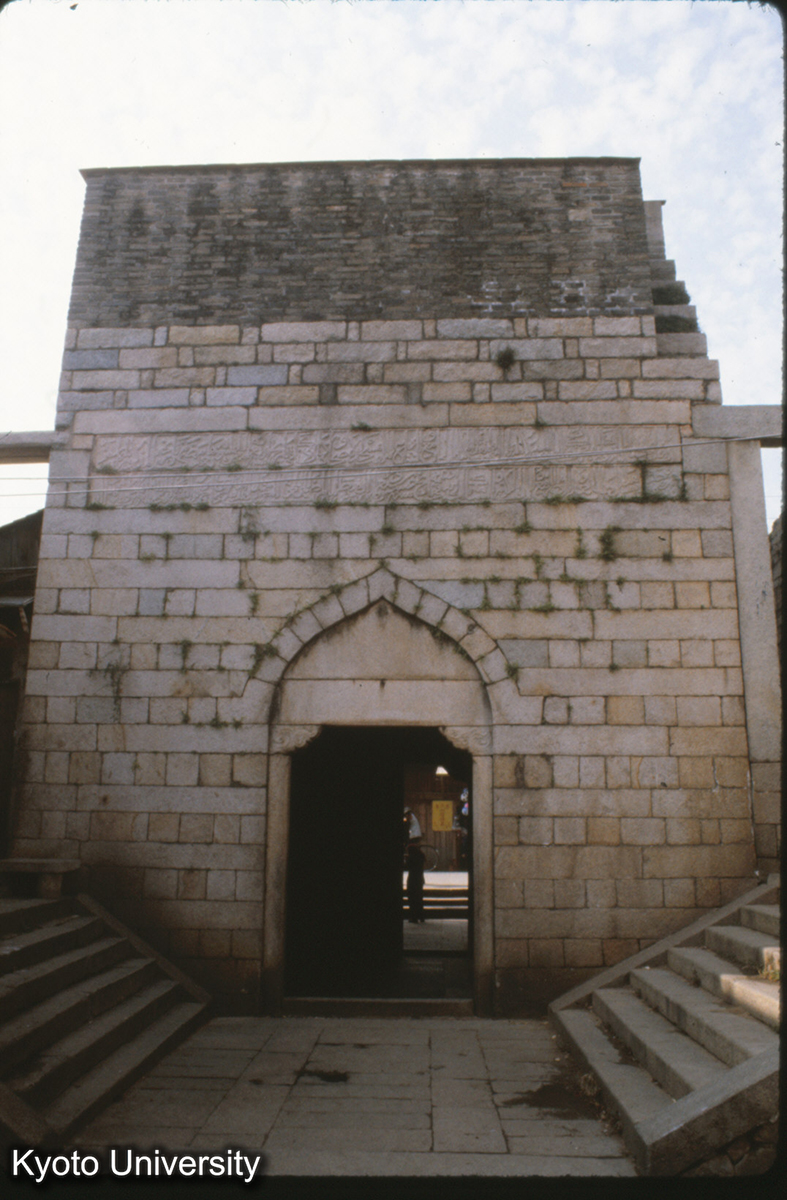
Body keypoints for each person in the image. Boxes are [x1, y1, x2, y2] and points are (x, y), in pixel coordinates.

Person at [406, 840, 426, 924]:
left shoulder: (410, 858)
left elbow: (407, 867)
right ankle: (421, 916)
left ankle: (413, 917)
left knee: (412, 900)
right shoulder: (421, 857)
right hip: (420, 880)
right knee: (419, 899)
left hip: (412, 880)